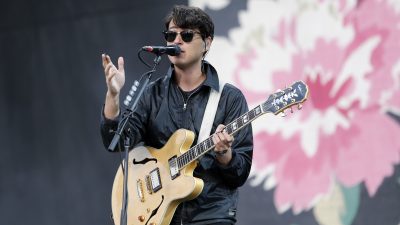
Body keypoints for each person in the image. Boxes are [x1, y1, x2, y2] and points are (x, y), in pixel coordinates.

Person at [100, 5, 253, 225]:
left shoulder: (229, 98)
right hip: (161, 215)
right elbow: (116, 142)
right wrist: (113, 95)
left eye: (187, 35)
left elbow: (239, 174)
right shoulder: (152, 93)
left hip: (211, 216)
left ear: (207, 44)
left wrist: (224, 154)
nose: (177, 41)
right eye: (171, 35)